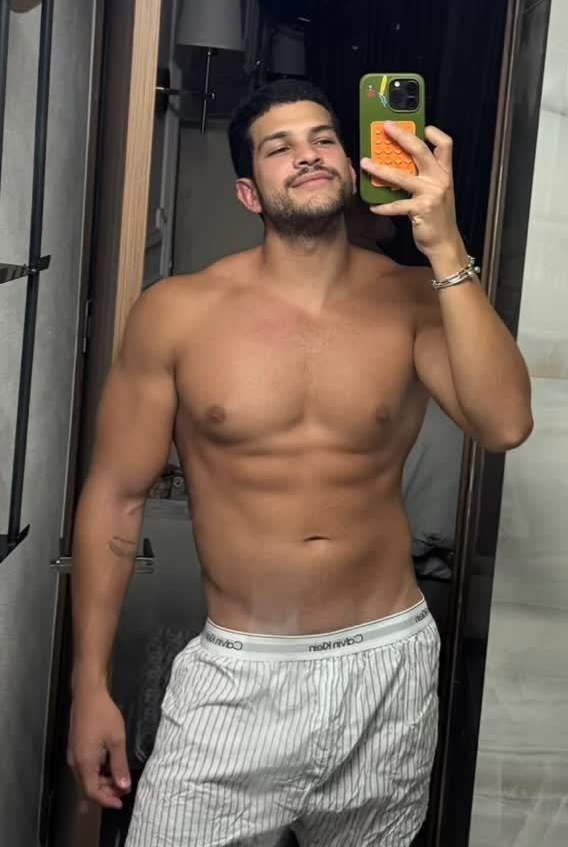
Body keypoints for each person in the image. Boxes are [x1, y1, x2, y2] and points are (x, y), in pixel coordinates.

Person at [68, 78, 533, 847]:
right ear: (250, 193)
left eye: (323, 139)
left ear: (351, 166)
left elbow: (505, 423)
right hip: (240, 671)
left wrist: (446, 246)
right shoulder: (178, 313)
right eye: (279, 148)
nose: (308, 155)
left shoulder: (415, 297)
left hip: (386, 664)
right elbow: (115, 496)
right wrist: (90, 685)